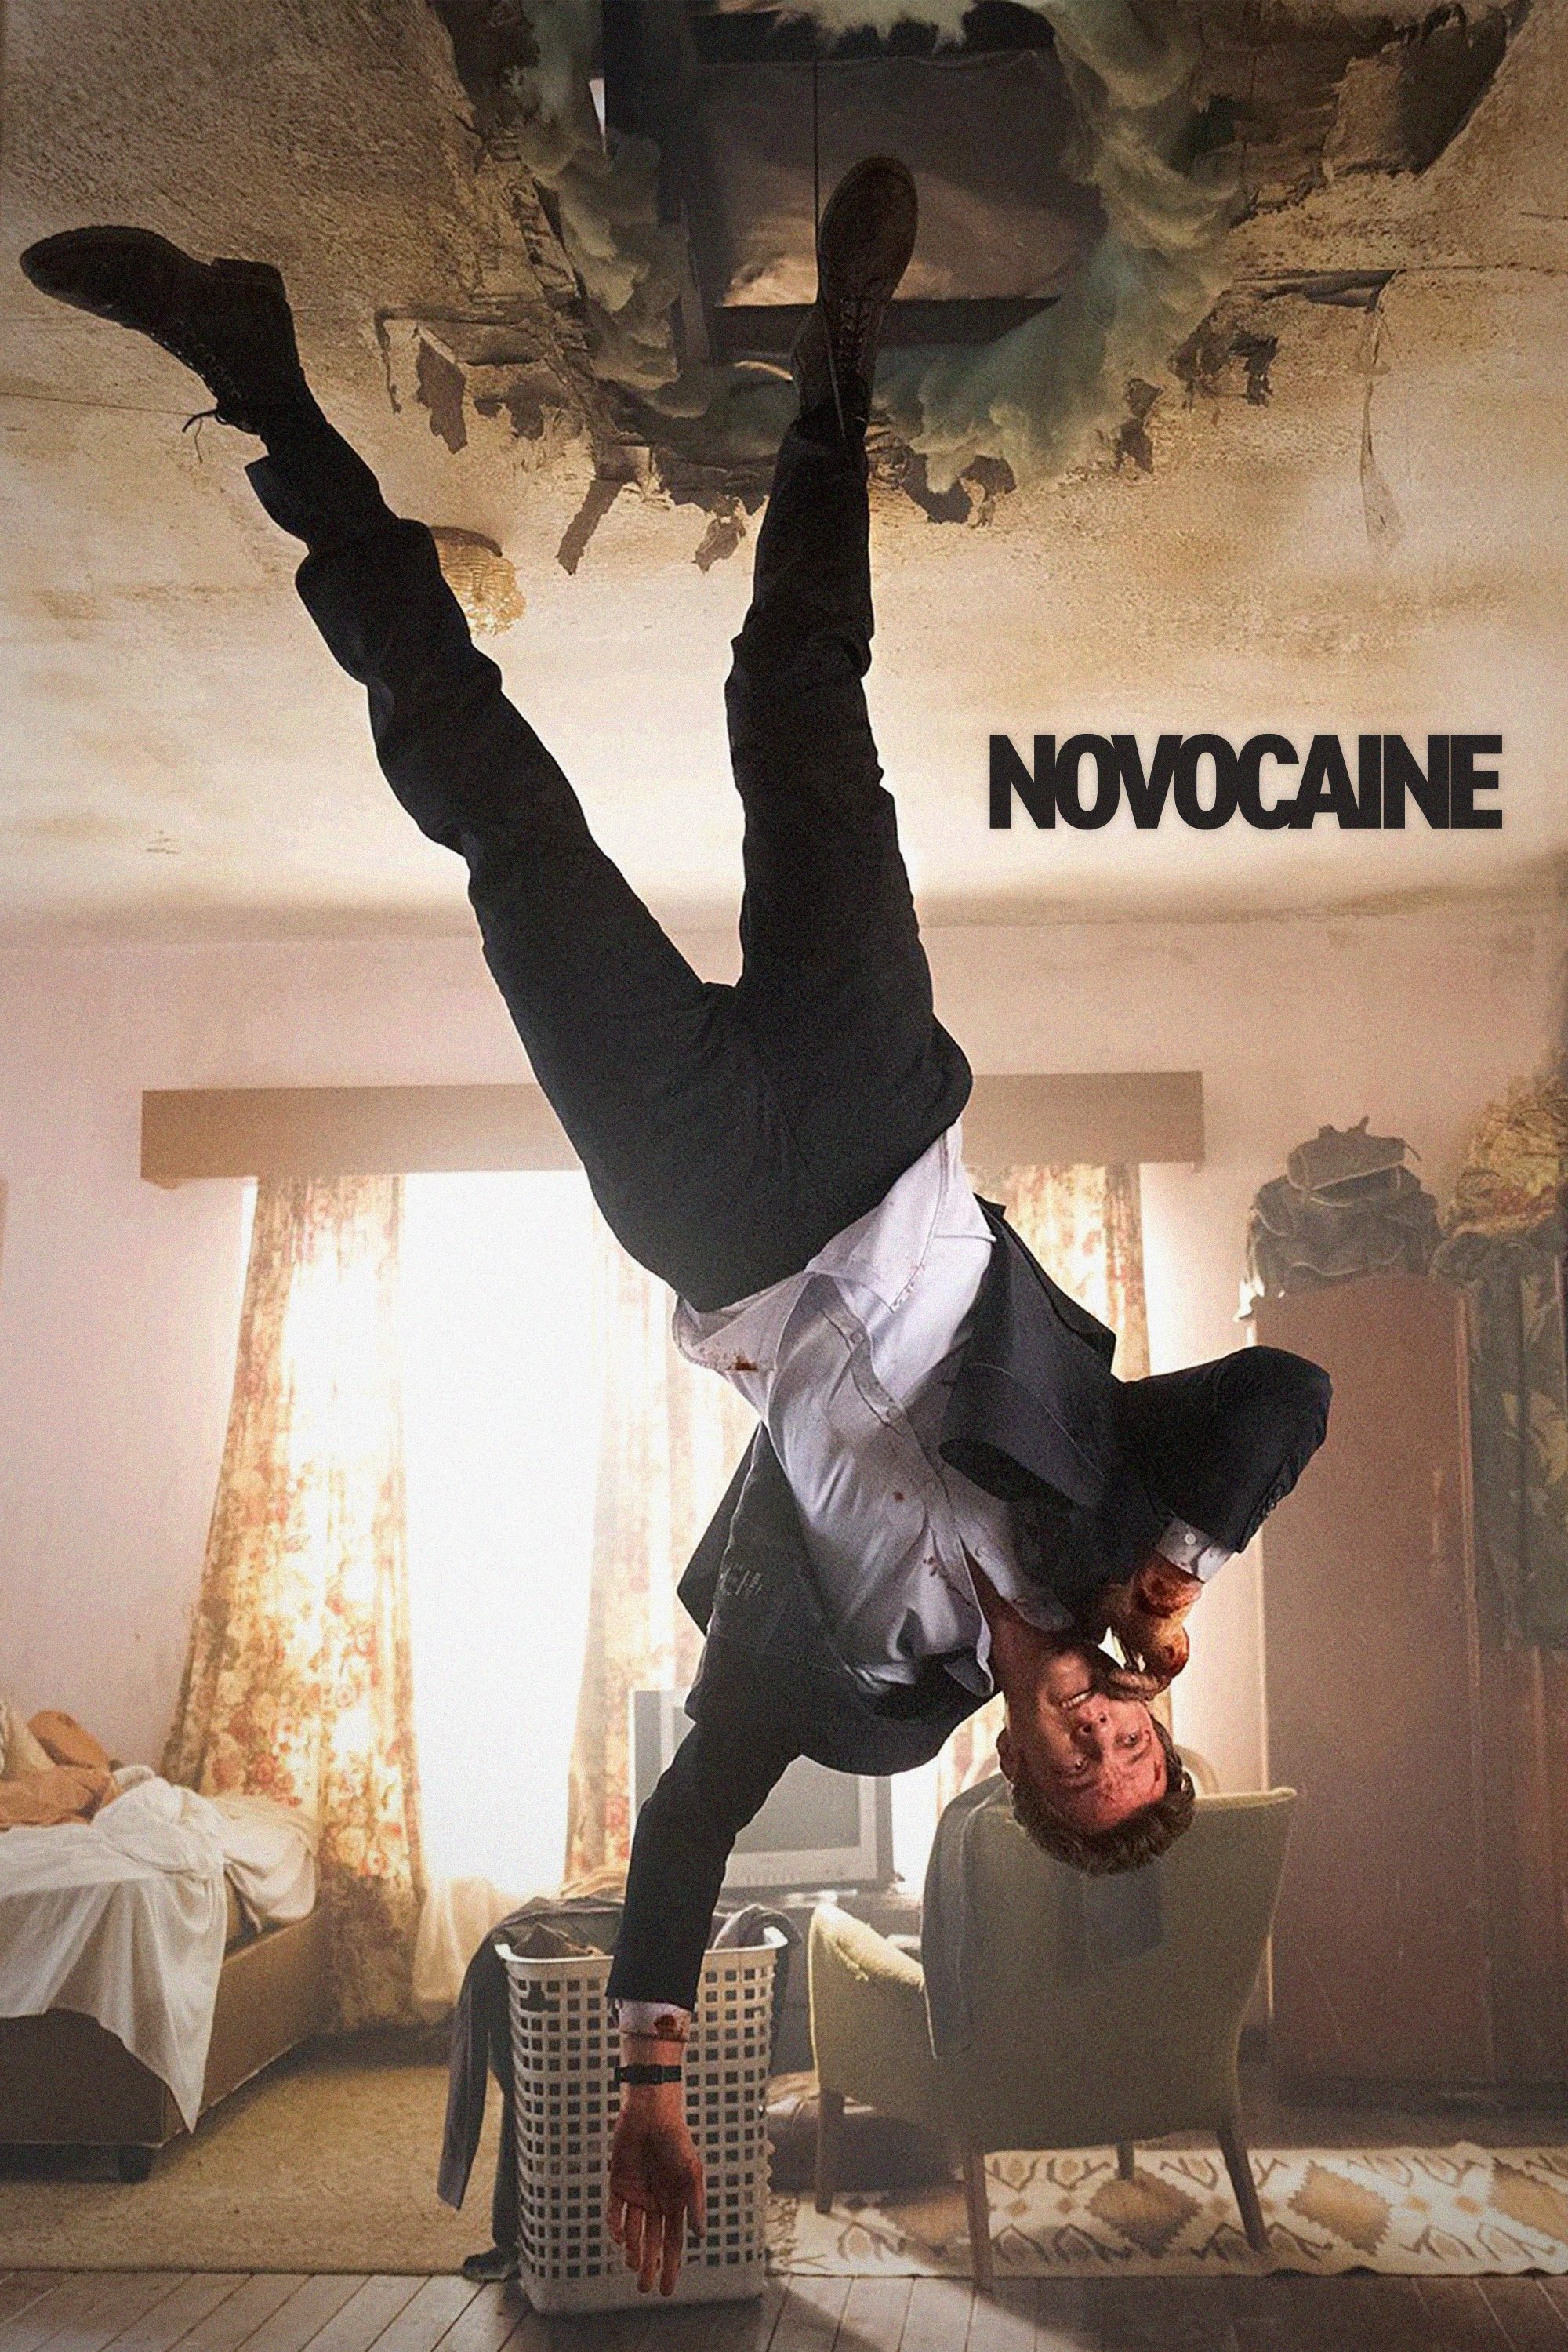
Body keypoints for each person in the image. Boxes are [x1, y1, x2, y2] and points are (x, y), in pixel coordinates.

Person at [21, 158, 1330, 2295]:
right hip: (878, 1108)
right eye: (1138, 1743)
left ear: (1017, 1777)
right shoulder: (1128, 1518)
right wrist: (1181, 1560)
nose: (1106, 1734)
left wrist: (649, 2076)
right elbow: (1292, 1386)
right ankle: (840, 363)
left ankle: (253, 371)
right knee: (795, 694)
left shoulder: (875, 1702)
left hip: (708, 1208)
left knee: (488, 805)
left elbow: (687, 1823)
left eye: (1083, 1770)